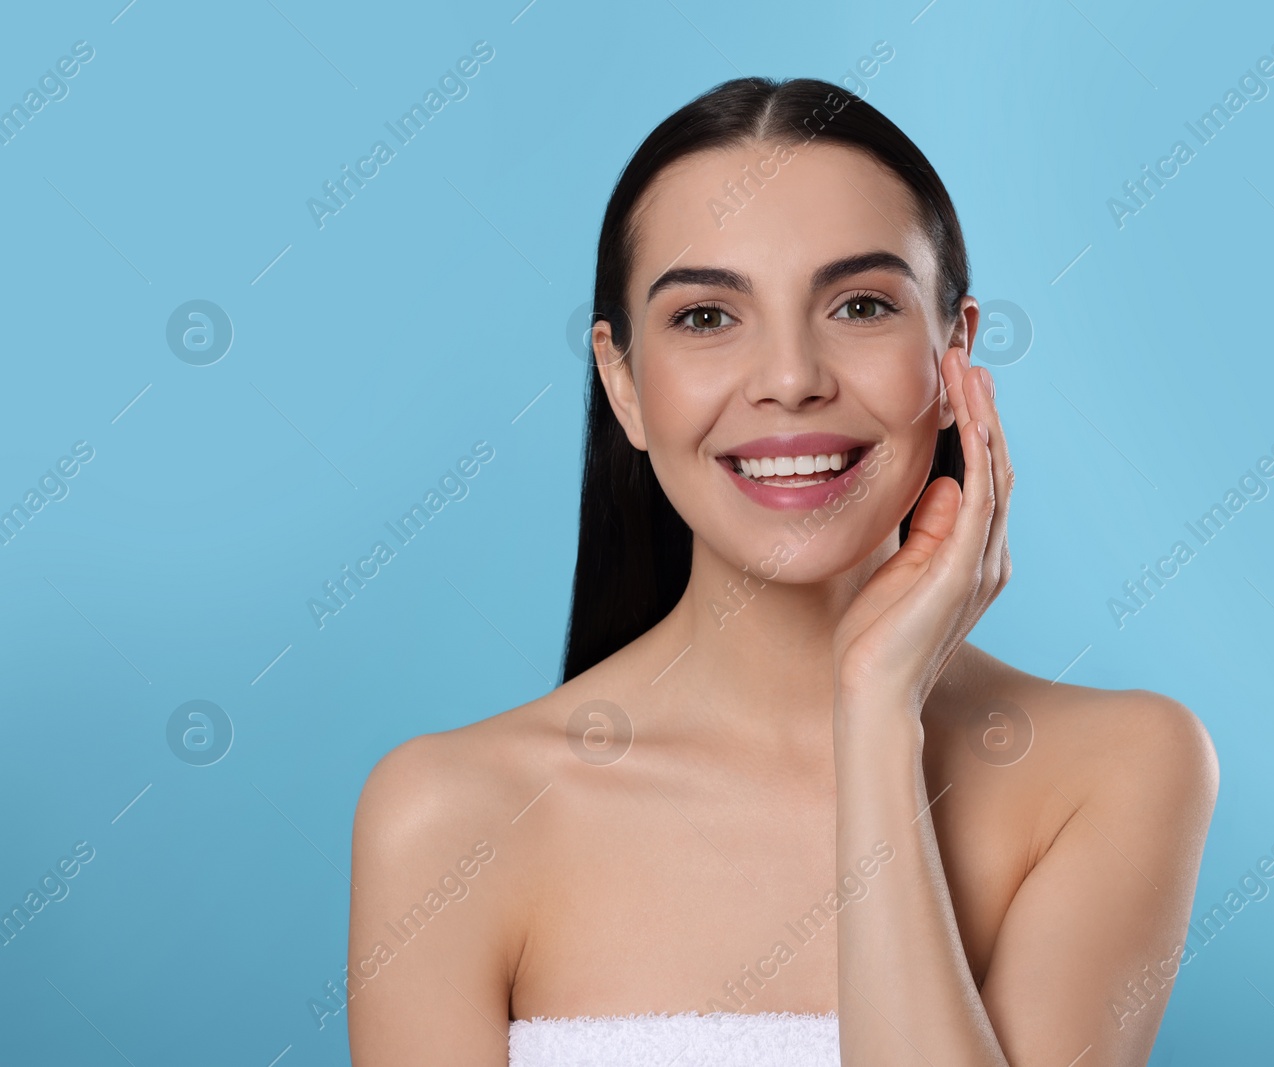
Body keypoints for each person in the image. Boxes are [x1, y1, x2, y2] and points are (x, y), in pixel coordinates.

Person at [347, 76, 1218, 1067]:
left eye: (858, 304)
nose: (792, 376)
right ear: (623, 384)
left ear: (954, 356)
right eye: (708, 318)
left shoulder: (1117, 767)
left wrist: (877, 713)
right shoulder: (445, 814)